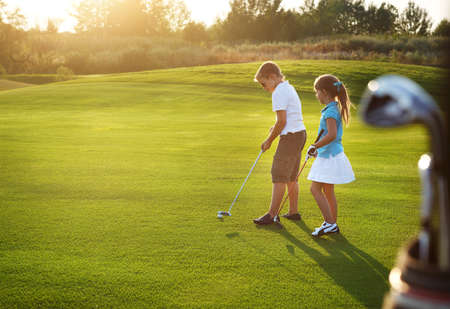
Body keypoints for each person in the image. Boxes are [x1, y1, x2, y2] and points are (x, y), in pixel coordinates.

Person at [252, 61, 307, 225]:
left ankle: (271, 215)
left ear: (272, 77)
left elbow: (282, 121)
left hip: (290, 137)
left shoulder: (278, 93)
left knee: (278, 176)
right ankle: (293, 212)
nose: (264, 87)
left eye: (263, 83)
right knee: (291, 177)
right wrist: (274, 128)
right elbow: (284, 119)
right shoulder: (288, 87)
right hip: (300, 134)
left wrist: (269, 140)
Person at [306, 74, 355, 236]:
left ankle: (330, 223)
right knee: (328, 191)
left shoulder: (330, 111)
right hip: (330, 154)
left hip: (329, 157)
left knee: (314, 189)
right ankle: (332, 223)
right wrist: (317, 149)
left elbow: (332, 134)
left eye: (317, 91)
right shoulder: (332, 108)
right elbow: (330, 135)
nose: (316, 95)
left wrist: (315, 146)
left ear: (325, 92)